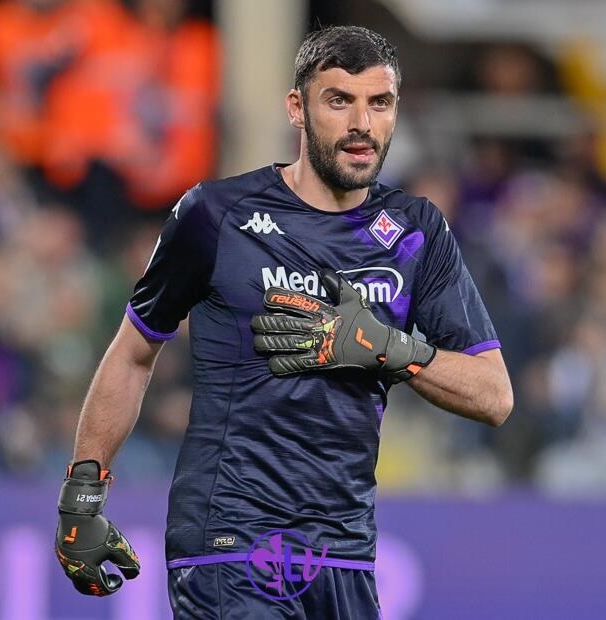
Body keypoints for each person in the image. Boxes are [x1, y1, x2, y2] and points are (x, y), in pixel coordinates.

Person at [53, 25, 513, 617]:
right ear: (297, 108)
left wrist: (390, 350)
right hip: (230, 543)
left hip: (345, 555)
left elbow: (494, 395)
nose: (362, 125)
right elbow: (135, 351)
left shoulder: (416, 230)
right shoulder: (215, 215)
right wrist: (81, 497)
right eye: (339, 100)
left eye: (380, 103)